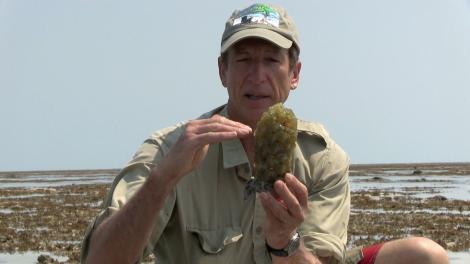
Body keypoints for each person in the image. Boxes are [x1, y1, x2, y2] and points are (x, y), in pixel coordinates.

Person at [81, 3, 448, 264]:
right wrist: (161, 181)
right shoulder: (173, 148)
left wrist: (283, 241)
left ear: (295, 74)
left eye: (272, 60)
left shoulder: (322, 157)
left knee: (424, 257)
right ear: (223, 71)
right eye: (243, 60)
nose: (257, 76)